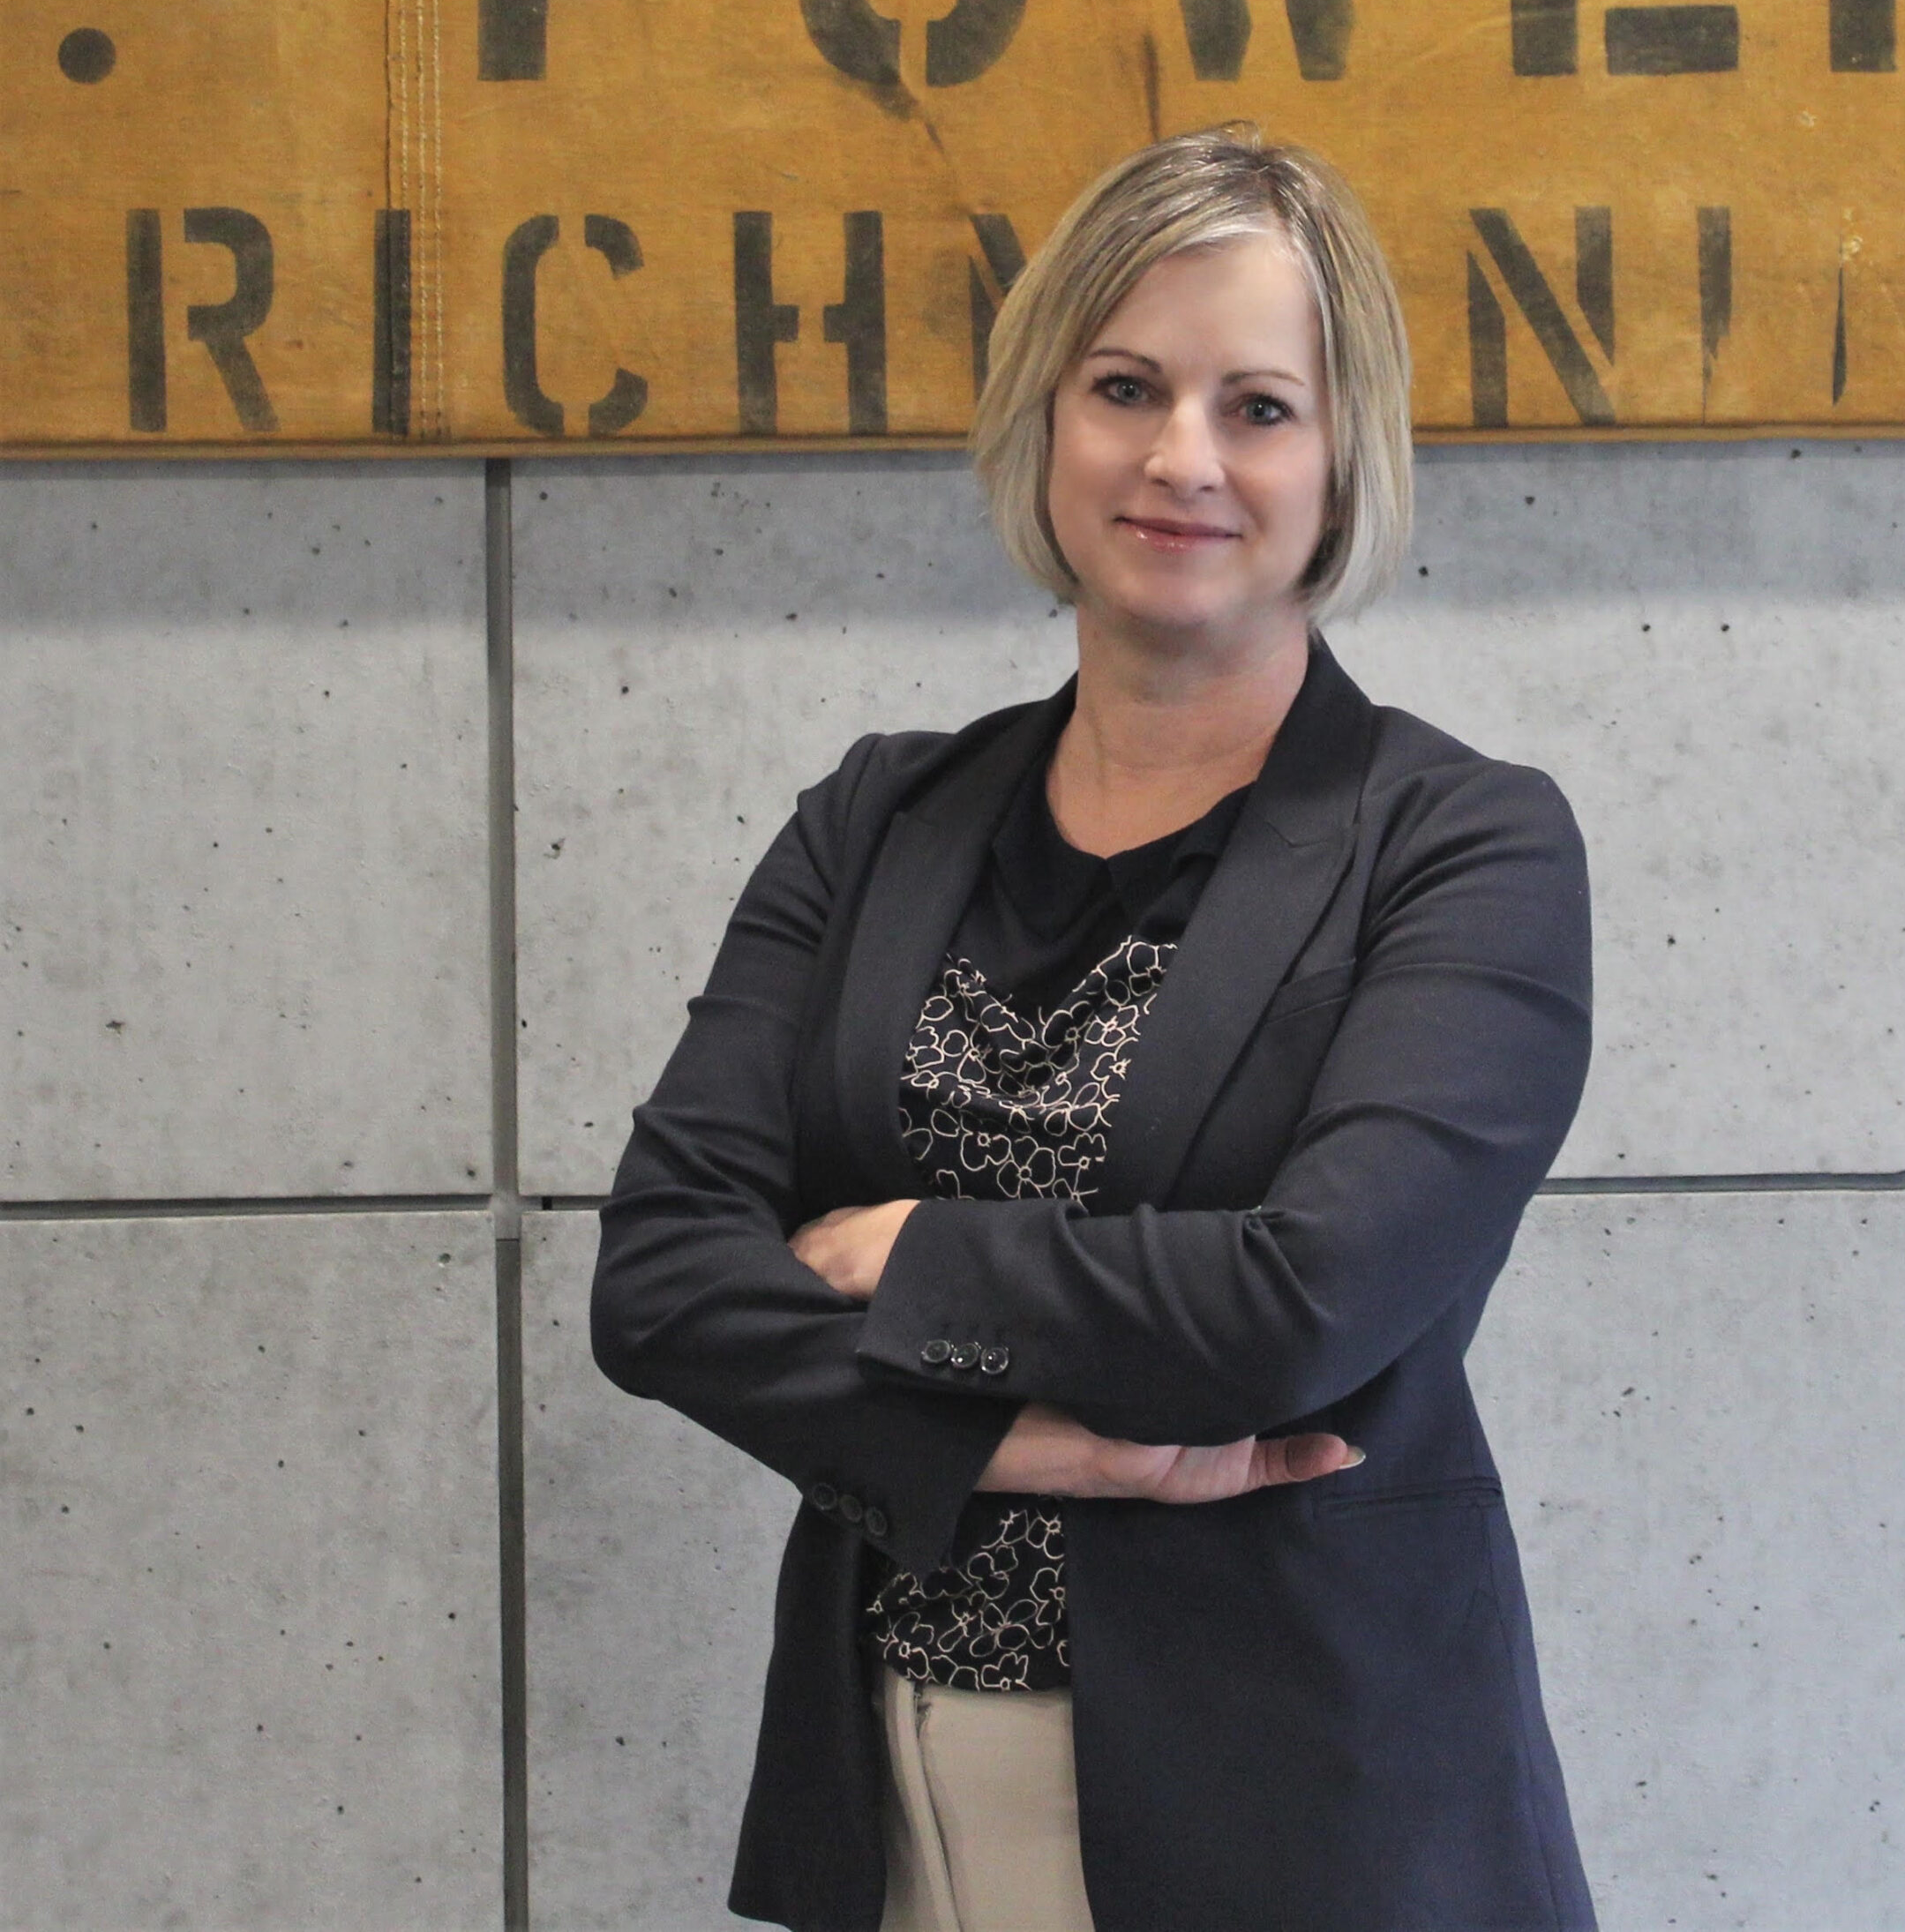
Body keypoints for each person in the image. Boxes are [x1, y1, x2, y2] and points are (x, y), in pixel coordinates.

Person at [590, 124, 1596, 1932]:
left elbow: (1301, 1304)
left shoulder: (1461, 846)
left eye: (1257, 407)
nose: (1179, 458)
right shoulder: (876, 819)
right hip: (892, 1801)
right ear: (1043, 418)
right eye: (1124, 387)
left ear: (1342, 455)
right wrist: (1015, 1442)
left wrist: (910, 1251)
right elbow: (661, 1278)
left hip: (1302, 1829)